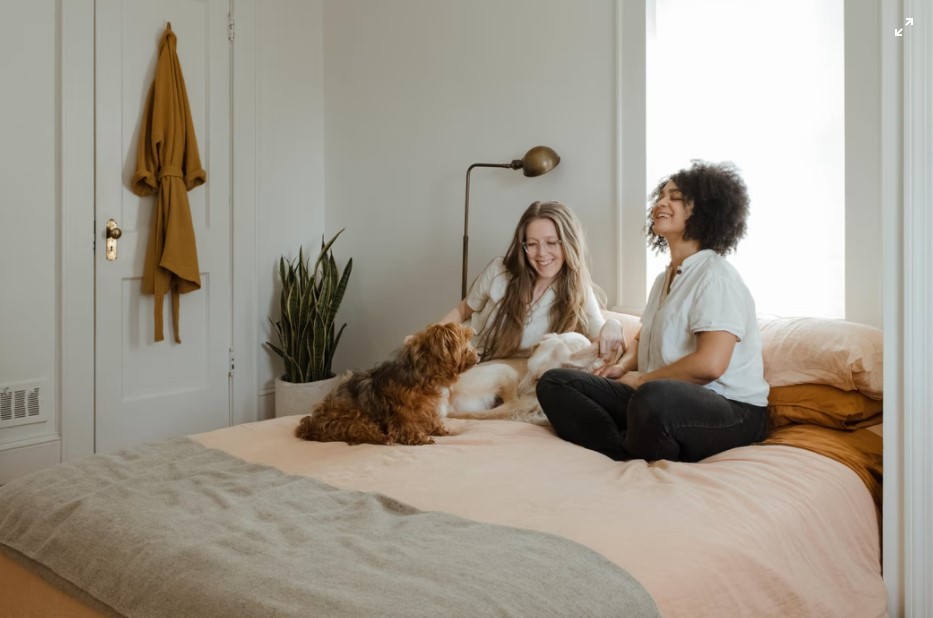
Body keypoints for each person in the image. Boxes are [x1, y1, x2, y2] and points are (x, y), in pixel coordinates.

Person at [536, 161, 770, 462]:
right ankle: (626, 449)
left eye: (674, 197)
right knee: (555, 383)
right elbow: (642, 338)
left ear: (703, 209)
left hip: (732, 410)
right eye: (661, 195)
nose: (661, 202)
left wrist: (642, 380)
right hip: (658, 397)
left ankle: (639, 439)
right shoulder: (665, 279)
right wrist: (621, 368)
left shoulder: (716, 275)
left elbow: (710, 364)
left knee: (651, 398)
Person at [437, 200, 625, 362]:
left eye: (551, 243)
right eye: (532, 244)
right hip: (464, 360)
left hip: (508, 375)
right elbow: (463, 310)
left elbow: (599, 335)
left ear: (568, 243)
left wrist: (614, 325)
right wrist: (431, 338)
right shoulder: (498, 270)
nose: (542, 253)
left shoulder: (577, 289)